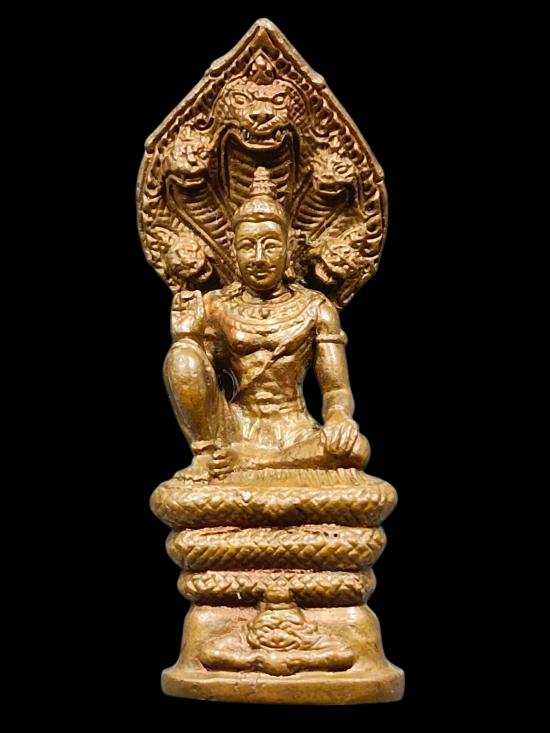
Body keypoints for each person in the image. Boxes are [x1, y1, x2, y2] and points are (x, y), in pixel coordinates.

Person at [163, 167, 370, 479]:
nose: (259, 258)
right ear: (232, 248)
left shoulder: (316, 307)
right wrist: (186, 337)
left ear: (290, 247)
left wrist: (340, 418)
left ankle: (255, 461)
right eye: (248, 246)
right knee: (181, 357)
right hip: (233, 428)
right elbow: (199, 379)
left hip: (296, 431)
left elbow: (336, 389)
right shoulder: (215, 306)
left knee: (356, 448)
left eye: (271, 245)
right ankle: (208, 457)